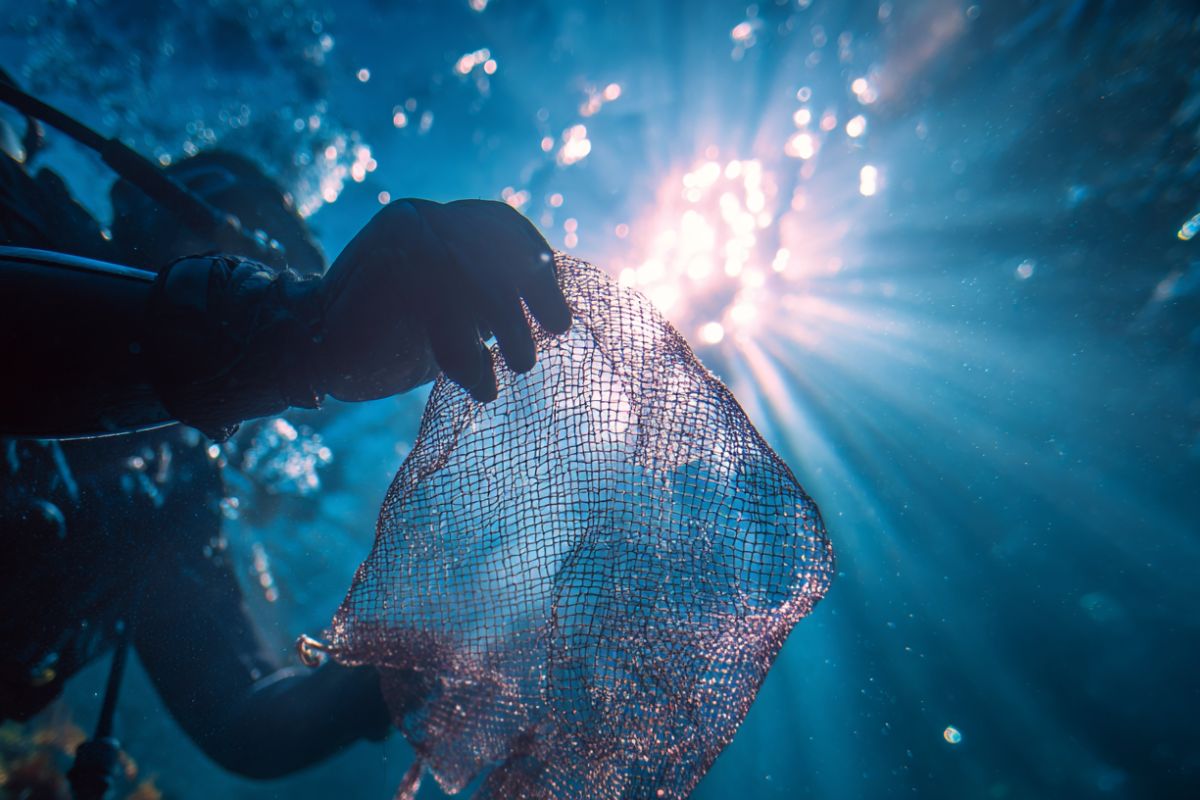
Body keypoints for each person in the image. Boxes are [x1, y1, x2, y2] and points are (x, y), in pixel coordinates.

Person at [0, 80, 570, 788]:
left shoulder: (171, 496)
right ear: (158, 216)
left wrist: (373, 684)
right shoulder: (24, 228)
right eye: (237, 252)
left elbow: (245, 715)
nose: (247, 274)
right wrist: (300, 332)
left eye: (266, 267)